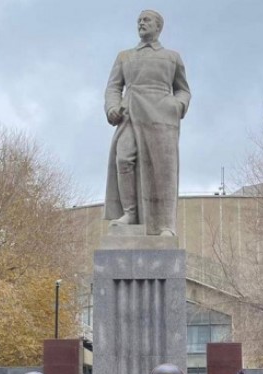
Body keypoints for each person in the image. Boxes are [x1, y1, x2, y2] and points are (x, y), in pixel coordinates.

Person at [104, 9, 191, 236]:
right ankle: (130, 212)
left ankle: (166, 225)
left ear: (158, 26)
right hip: (130, 111)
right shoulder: (125, 56)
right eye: (139, 20)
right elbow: (114, 86)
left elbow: (183, 89)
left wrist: (178, 106)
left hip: (161, 115)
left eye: (146, 20)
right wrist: (112, 107)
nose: (141, 23)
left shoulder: (172, 57)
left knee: (163, 170)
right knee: (123, 158)